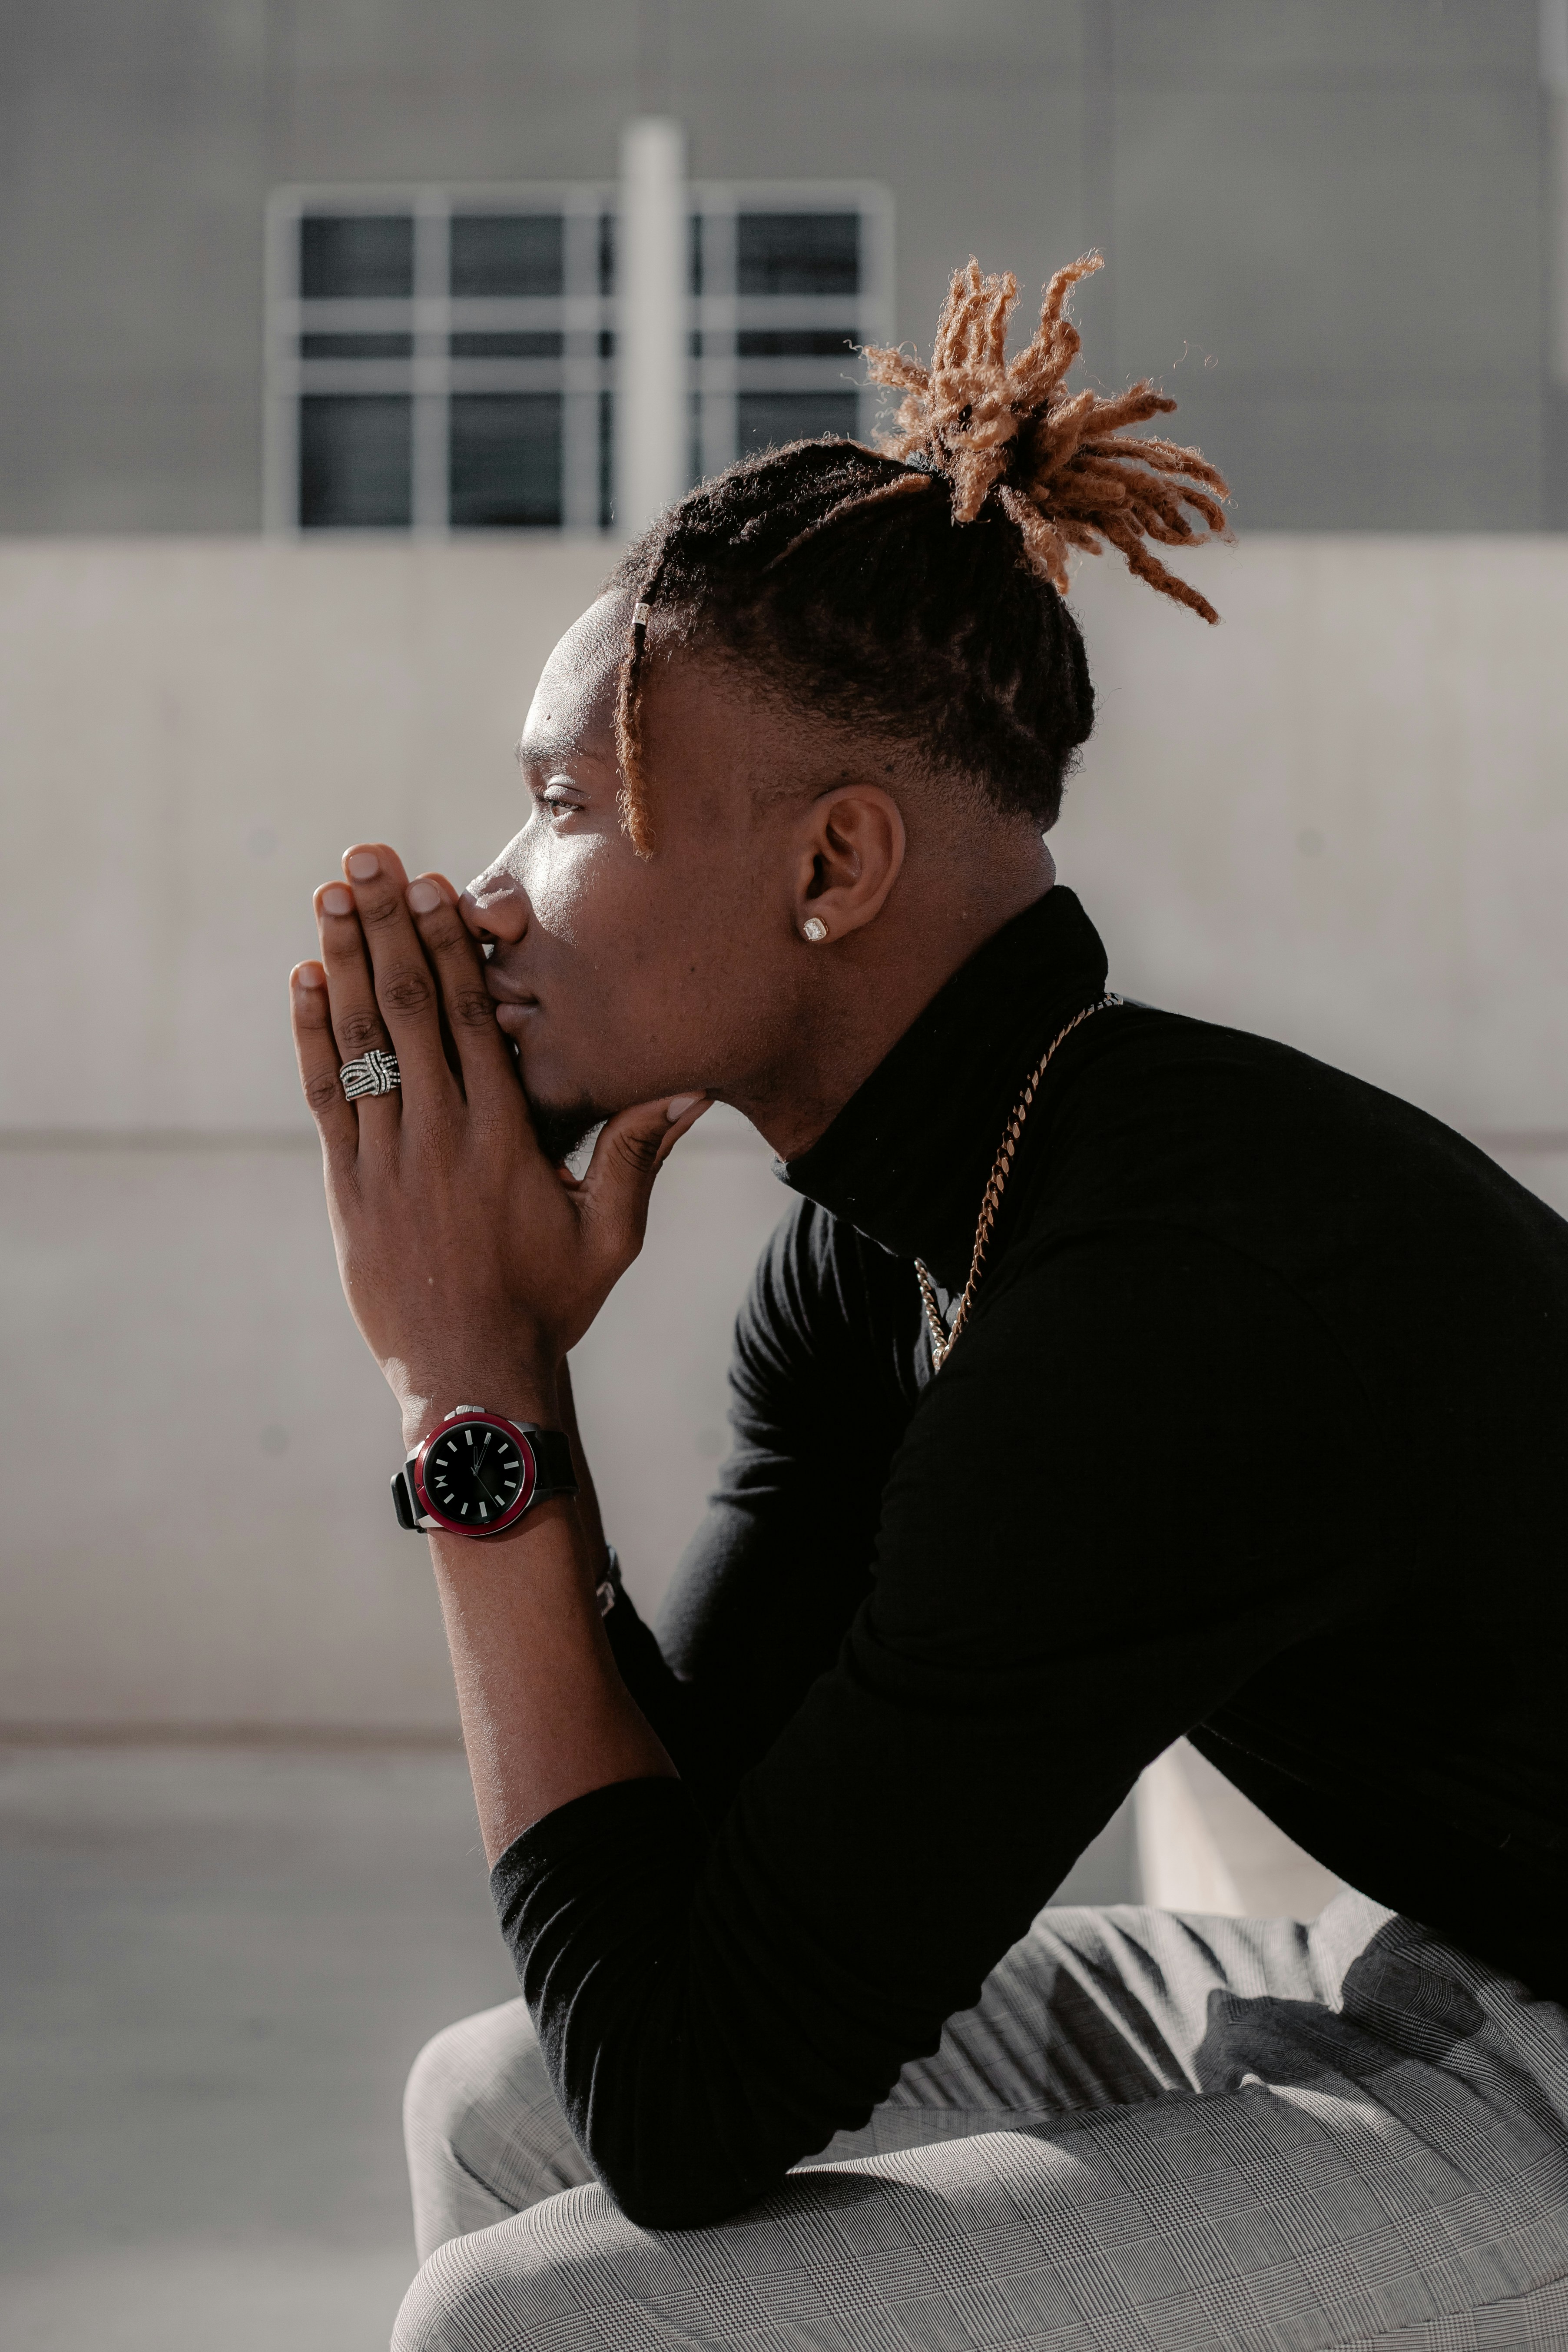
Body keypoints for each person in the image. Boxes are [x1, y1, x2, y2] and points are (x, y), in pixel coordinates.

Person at [288, 257, 1568, 2350]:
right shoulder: (891, 1247)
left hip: (1553, 2069)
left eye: (560, 806)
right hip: (1430, 1949)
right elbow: (671, 1928)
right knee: (497, 2108)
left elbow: (691, 2107)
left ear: (838, 863)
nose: (488, 895)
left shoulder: (1159, 1289)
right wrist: (506, 1394)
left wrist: (468, 1386)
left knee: (533, 2320)